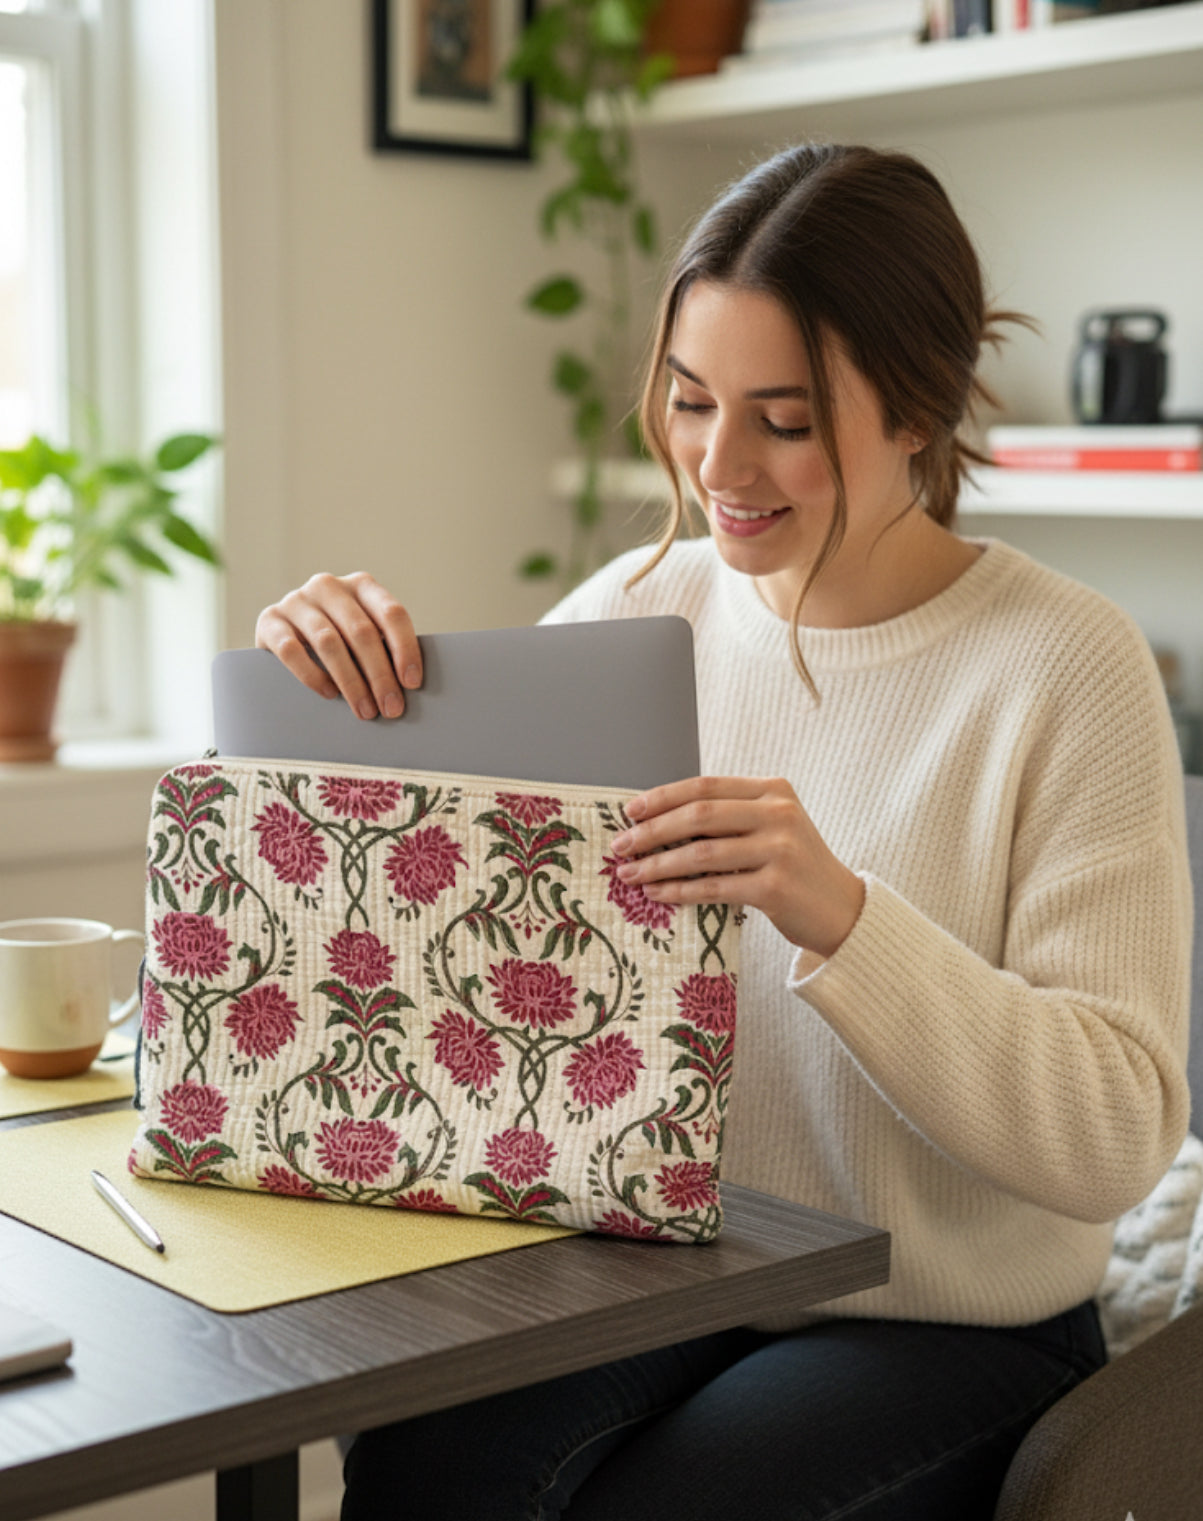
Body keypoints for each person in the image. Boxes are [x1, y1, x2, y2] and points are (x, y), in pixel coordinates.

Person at [255, 143, 1192, 1520]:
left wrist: (844, 916)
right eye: (693, 400)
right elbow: (440, 958)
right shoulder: (642, 611)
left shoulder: (1068, 665)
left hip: (943, 1316)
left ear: (919, 409)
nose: (719, 462)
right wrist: (322, 698)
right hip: (674, 1261)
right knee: (421, 1459)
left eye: (786, 418)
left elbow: (1118, 1131)